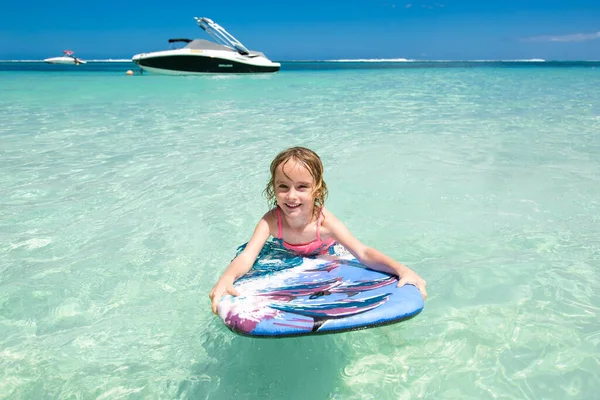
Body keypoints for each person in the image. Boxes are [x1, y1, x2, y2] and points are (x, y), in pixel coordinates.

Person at [209, 146, 427, 314]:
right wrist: (226, 279)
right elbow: (248, 255)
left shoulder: (325, 223)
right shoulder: (271, 221)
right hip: (284, 255)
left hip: (324, 254)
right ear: (273, 188)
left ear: (317, 189)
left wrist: (401, 269)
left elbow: (362, 253)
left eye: (302, 187)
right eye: (283, 186)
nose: (291, 196)